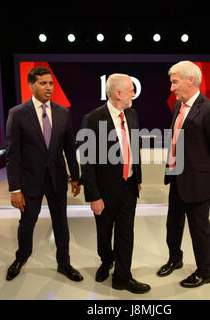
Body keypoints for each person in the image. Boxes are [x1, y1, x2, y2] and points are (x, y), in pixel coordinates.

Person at [5, 66, 83, 282]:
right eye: (43, 83)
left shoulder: (63, 112)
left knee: (61, 223)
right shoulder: (17, 113)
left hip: (57, 179)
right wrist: (15, 188)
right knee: (27, 223)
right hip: (29, 181)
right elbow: (12, 155)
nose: (49, 87)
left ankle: (64, 263)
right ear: (31, 85)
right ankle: (21, 258)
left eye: (50, 83)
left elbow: (69, 147)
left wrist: (75, 177)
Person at [158, 61, 210, 288]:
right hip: (177, 178)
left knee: (199, 229)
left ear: (191, 80)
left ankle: (205, 270)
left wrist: (208, 176)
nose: (171, 88)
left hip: (199, 182)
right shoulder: (177, 107)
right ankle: (175, 259)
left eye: (175, 82)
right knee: (173, 225)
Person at [79, 74, 150, 294]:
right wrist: (93, 196)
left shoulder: (132, 114)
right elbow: (87, 161)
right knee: (104, 232)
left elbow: (134, 148)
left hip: (128, 187)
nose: (134, 94)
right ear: (118, 93)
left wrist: (137, 178)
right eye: (130, 90)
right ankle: (106, 260)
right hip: (104, 191)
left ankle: (122, 277)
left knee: (125, 233)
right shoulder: (93, 118)